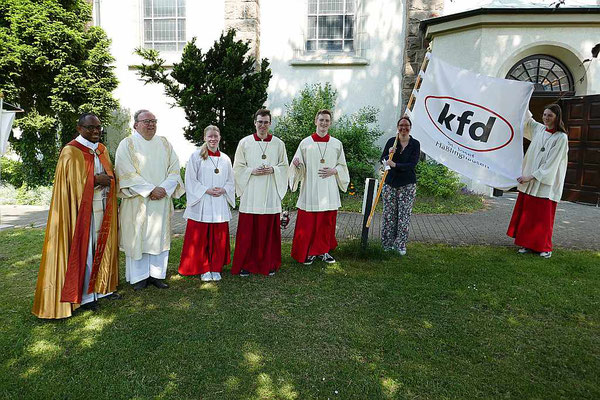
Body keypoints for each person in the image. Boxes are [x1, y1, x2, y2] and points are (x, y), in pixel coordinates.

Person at [32, 113, 120, 319]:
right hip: (80, 210)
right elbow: (69, 185)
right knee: (85, 248)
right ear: (79, 128)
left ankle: (103, 288)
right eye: (90, 128)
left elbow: (110, 174)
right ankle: (87, 296)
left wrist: (109, 180)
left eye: (98, 127)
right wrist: (94, 180)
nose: (96, 131)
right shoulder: (70, 151)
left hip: (102, 205)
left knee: (102, 244)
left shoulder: (101, 149)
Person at [115, 109, 184, 290]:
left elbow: (174, 169)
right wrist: (150, 190)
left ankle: (157, 275)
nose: (151, 124)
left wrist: (163, 189)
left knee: (158, 237)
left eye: (153, 121)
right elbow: (125, 171)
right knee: (138, 236)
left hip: (160, 200)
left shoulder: (164, 143)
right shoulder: (127, 144)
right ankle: (138, 277)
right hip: (138, 201)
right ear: (136, 124)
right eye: (146, 121)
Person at [507, 104, 569, 258]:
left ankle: (544, 248)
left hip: (545, 183)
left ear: (557, 117)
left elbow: (551, 163)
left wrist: (530, 176)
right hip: (531, 181)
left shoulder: (561, 138)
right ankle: (527, 244)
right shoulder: (539, 129)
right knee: (528, 215)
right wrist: (524, 97)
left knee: (542, 218)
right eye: (544, 114)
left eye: (550, 115)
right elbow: (528, 120)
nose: (546, 118)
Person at [231, 109, 288, 276]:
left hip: (270, 192)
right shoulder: (245, 142)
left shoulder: (278, 144)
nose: (263, 125)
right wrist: (251, 171)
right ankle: (246, 264)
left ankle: (269, 263)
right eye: (260, 122)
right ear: (255, 123)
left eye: (266, 122)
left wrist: (274, 169)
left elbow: (284, 166)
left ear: (270, 123)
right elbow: (238, 168)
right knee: (249, 231)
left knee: (267, 231)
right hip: (251, 192)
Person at [289, 109, 349, 264]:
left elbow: (342, 165)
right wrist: (297, 166)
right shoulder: (305, 143)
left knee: (326, 222)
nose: (323, 123)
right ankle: (308, 251)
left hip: (328, 189)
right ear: (315, 121)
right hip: (310, 188)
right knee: (309, 223)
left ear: (330, 123)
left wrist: (334, 170)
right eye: (321, 120)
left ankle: (323, 251)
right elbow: (298, 166)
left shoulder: (336, 144)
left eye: (327, 120)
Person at [178, 125, 235, 282]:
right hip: (202, 201)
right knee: (201, 237)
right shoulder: (196, 156)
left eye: (215, 136)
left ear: (219, 138)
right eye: (209, 136)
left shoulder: (225, 159)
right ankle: (204, 269)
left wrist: (224, 190)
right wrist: (205, 190)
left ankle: (215, 267)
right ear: (204, 138)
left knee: (218, 237)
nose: (213, 139)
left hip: (219, 202)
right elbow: (190, 179)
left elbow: (231, 180)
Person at [380, 116, 420, 256]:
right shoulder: (392, 141)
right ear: (398, 127)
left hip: (407, 184)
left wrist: (395, 165)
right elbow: (382, 160)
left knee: (403, 215)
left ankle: (400, 245)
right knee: (389, 215)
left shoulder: (415, 144)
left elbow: (412, 164)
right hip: (390, 183)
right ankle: (387, 243)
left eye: (406, 125)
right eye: (401, 125)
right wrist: (388, 155)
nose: (404, 128)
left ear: (410, 127)